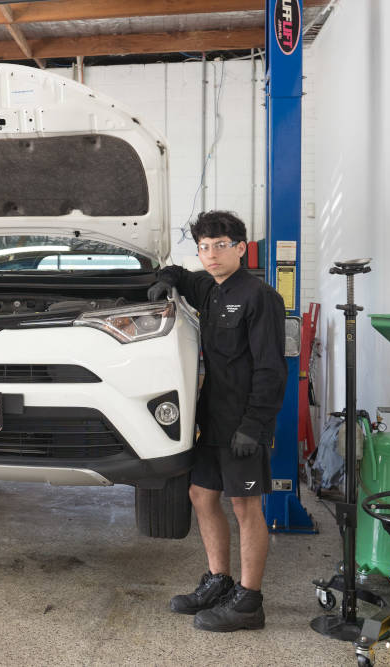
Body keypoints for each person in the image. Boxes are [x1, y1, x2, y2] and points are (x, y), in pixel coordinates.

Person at [147, 211, 287, 632]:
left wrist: (255, 425)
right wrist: (166, 279)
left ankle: (249, 601)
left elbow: (271, 369)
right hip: (212, 417)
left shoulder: (260, 297)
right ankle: (218, 581)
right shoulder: (208, 288)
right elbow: (179, 273)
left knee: (245, 505)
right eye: (204, 247)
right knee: (201, 495)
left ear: (241, 248)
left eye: (220, 246)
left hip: (244, 421)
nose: (211, 254)